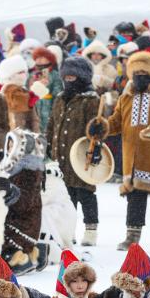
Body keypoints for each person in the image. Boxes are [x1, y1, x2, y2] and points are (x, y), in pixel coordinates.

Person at [97, 51, 150, 251]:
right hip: (132, 158)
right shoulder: (126, 98)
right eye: (136, 71)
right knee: (135, 199)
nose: (139, 75)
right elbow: (116, 122)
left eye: (145, 71)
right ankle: (132, 236)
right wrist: (103, 127)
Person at [46, 56, 101, 246]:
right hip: (60, 155)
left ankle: (91, 229)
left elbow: (99, 126)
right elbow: (52, 123)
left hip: (81, 155)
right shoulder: (60, 98)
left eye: (73, 77)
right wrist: (48, 142)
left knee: (85, 193)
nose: (69, 81)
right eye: (66, 77)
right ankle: (68, 230)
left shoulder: (91, 100)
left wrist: (97, 137)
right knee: (66, 196)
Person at [0, 129, 43, 274]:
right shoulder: (9, 165)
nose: (10, 149)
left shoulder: (30, 169)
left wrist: (10, 191)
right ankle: (32, 253)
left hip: (24, 223)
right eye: (9, 145)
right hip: (12, 216)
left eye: (14, 145)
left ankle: (18, 257)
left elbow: (25, 203)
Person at [0, 55, 38, 131]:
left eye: (24, 72)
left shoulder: (21, 89)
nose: (24, 75)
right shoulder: (9, 89)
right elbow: (21, 104)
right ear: (10, 75)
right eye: (20, 73)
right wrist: (34, 95)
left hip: (23, 131)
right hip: (16, 132)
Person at [30, 46, 63, 133]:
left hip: (49, 109)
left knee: (48, 131)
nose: (39, 60)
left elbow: (58, 93)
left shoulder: (55, 75)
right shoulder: (32, 75)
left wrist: (47, 93)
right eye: (37, 57)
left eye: (42, 57)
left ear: (49, 59)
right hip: (33, 108)